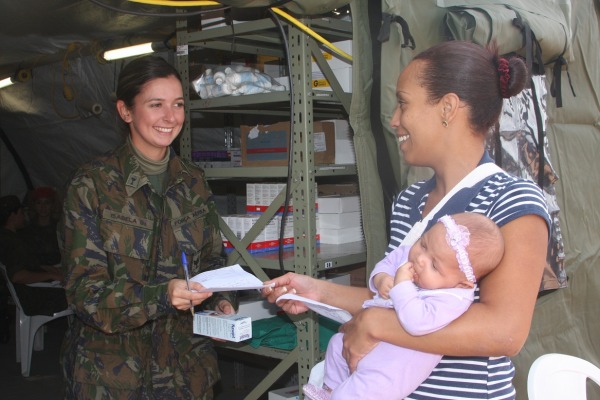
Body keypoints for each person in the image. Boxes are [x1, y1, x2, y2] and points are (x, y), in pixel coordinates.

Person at [264, 40, 550, 399]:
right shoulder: (409, 201)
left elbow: (504, 331)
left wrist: (377, 326)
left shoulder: (512, 201)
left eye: (403, 103)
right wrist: (318, 292)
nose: (394, 119)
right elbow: (394, 296)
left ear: (447, 107)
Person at [60, 56, 237, 399]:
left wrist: (222, 300)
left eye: (178, 105)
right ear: (126, 111)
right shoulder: (92, 185)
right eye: (156, 105)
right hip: (114, 377)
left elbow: (213, 259)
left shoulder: (194, 182)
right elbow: (84, 293)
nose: (170, 118)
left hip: (186, 372)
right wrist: (161, 296)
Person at [303, 213, 504, 400]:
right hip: (372, 343)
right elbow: (389, 261)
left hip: (394, 367)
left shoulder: (452, 298)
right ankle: (329, 390)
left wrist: (402, 285)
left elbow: (416, 322)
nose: (420, 259)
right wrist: (381, 278)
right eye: (423, 244)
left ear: (462, 283)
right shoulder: (413, 256)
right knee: (337, 345)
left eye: (434, 265)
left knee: (360, 391)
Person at [0, 195, 67, 316]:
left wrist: (44, 268)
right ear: (12, 216)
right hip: (33, 298)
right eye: (20, 213)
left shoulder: (7, 236)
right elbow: (18, 276)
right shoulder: (12, 243)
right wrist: (50, 275)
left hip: (28, 294)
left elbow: (22, 264)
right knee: (80, 294)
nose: (23, 216)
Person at [22, 186, 62, 266]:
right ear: (34, 205)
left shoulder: (59, 227)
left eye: (47, 203)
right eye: (39, 203)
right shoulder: (27, 230)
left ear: (52, 205)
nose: (43, 207)